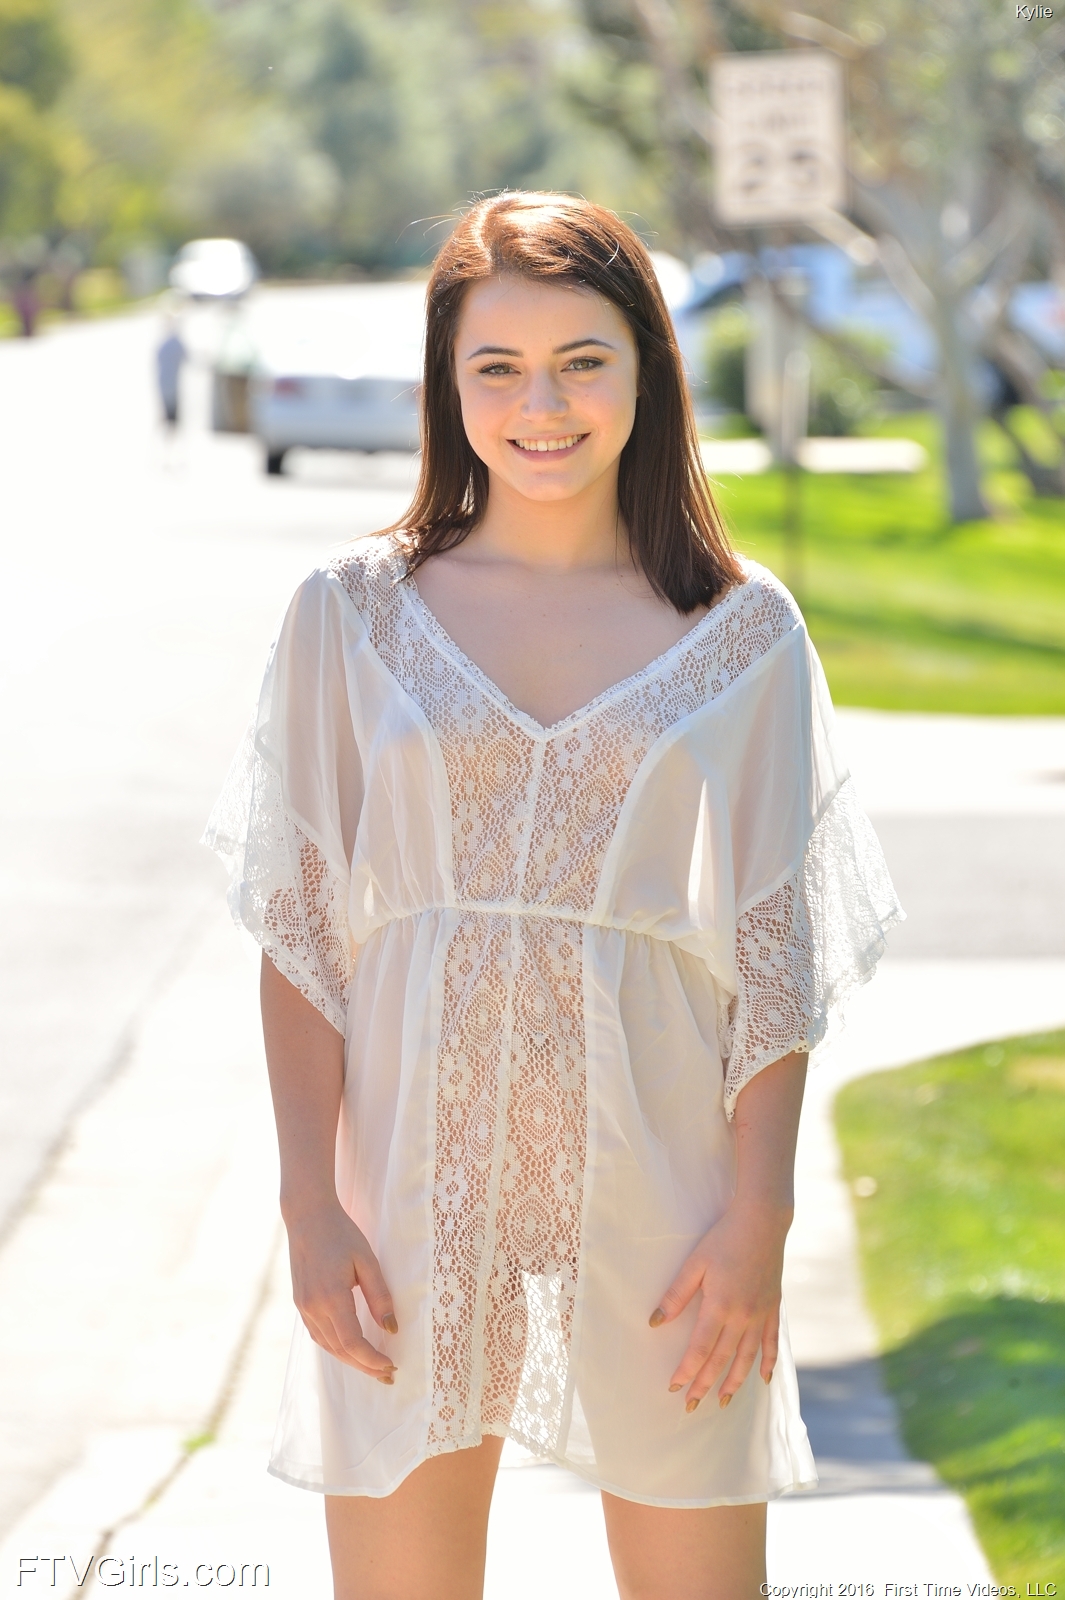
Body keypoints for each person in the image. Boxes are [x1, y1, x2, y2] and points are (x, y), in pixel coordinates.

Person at [206, 192, 902, 1600]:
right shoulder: (346, 616)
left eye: (583, 360)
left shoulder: (740, 629)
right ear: (445, 385)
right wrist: (309, 1206)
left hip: (668, 1193)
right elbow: (302, 942)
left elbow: (776, 952)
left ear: (649, 367)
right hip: (405, 1192)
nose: (543, 405)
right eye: (497, 367)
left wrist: (758, 1213)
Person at [155, 316, 186, 428]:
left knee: (167, 407)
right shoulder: (176, 342)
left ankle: (169, 430)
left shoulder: (164, 343)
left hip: (164, 379)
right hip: (170, 380)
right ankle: (171, 431)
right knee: (172, 409)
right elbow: (187, 358)